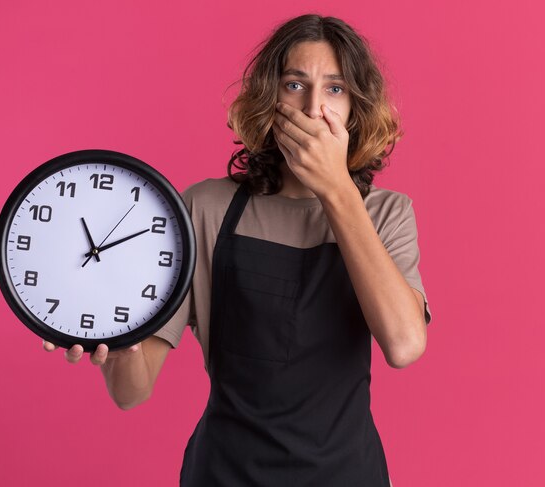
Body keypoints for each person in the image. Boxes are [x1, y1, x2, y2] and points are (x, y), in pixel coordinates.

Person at [44, 13, 432, 486]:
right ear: (270, 100)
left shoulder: (386, 214)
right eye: (294, 84)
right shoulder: (204, 208)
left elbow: (405, 345)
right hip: (223, 473)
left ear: (355, 107)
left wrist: (336, 190)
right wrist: (114, 334)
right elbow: (131, 392)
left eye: (334, 89)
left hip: (346, 473)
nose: (313, 108)